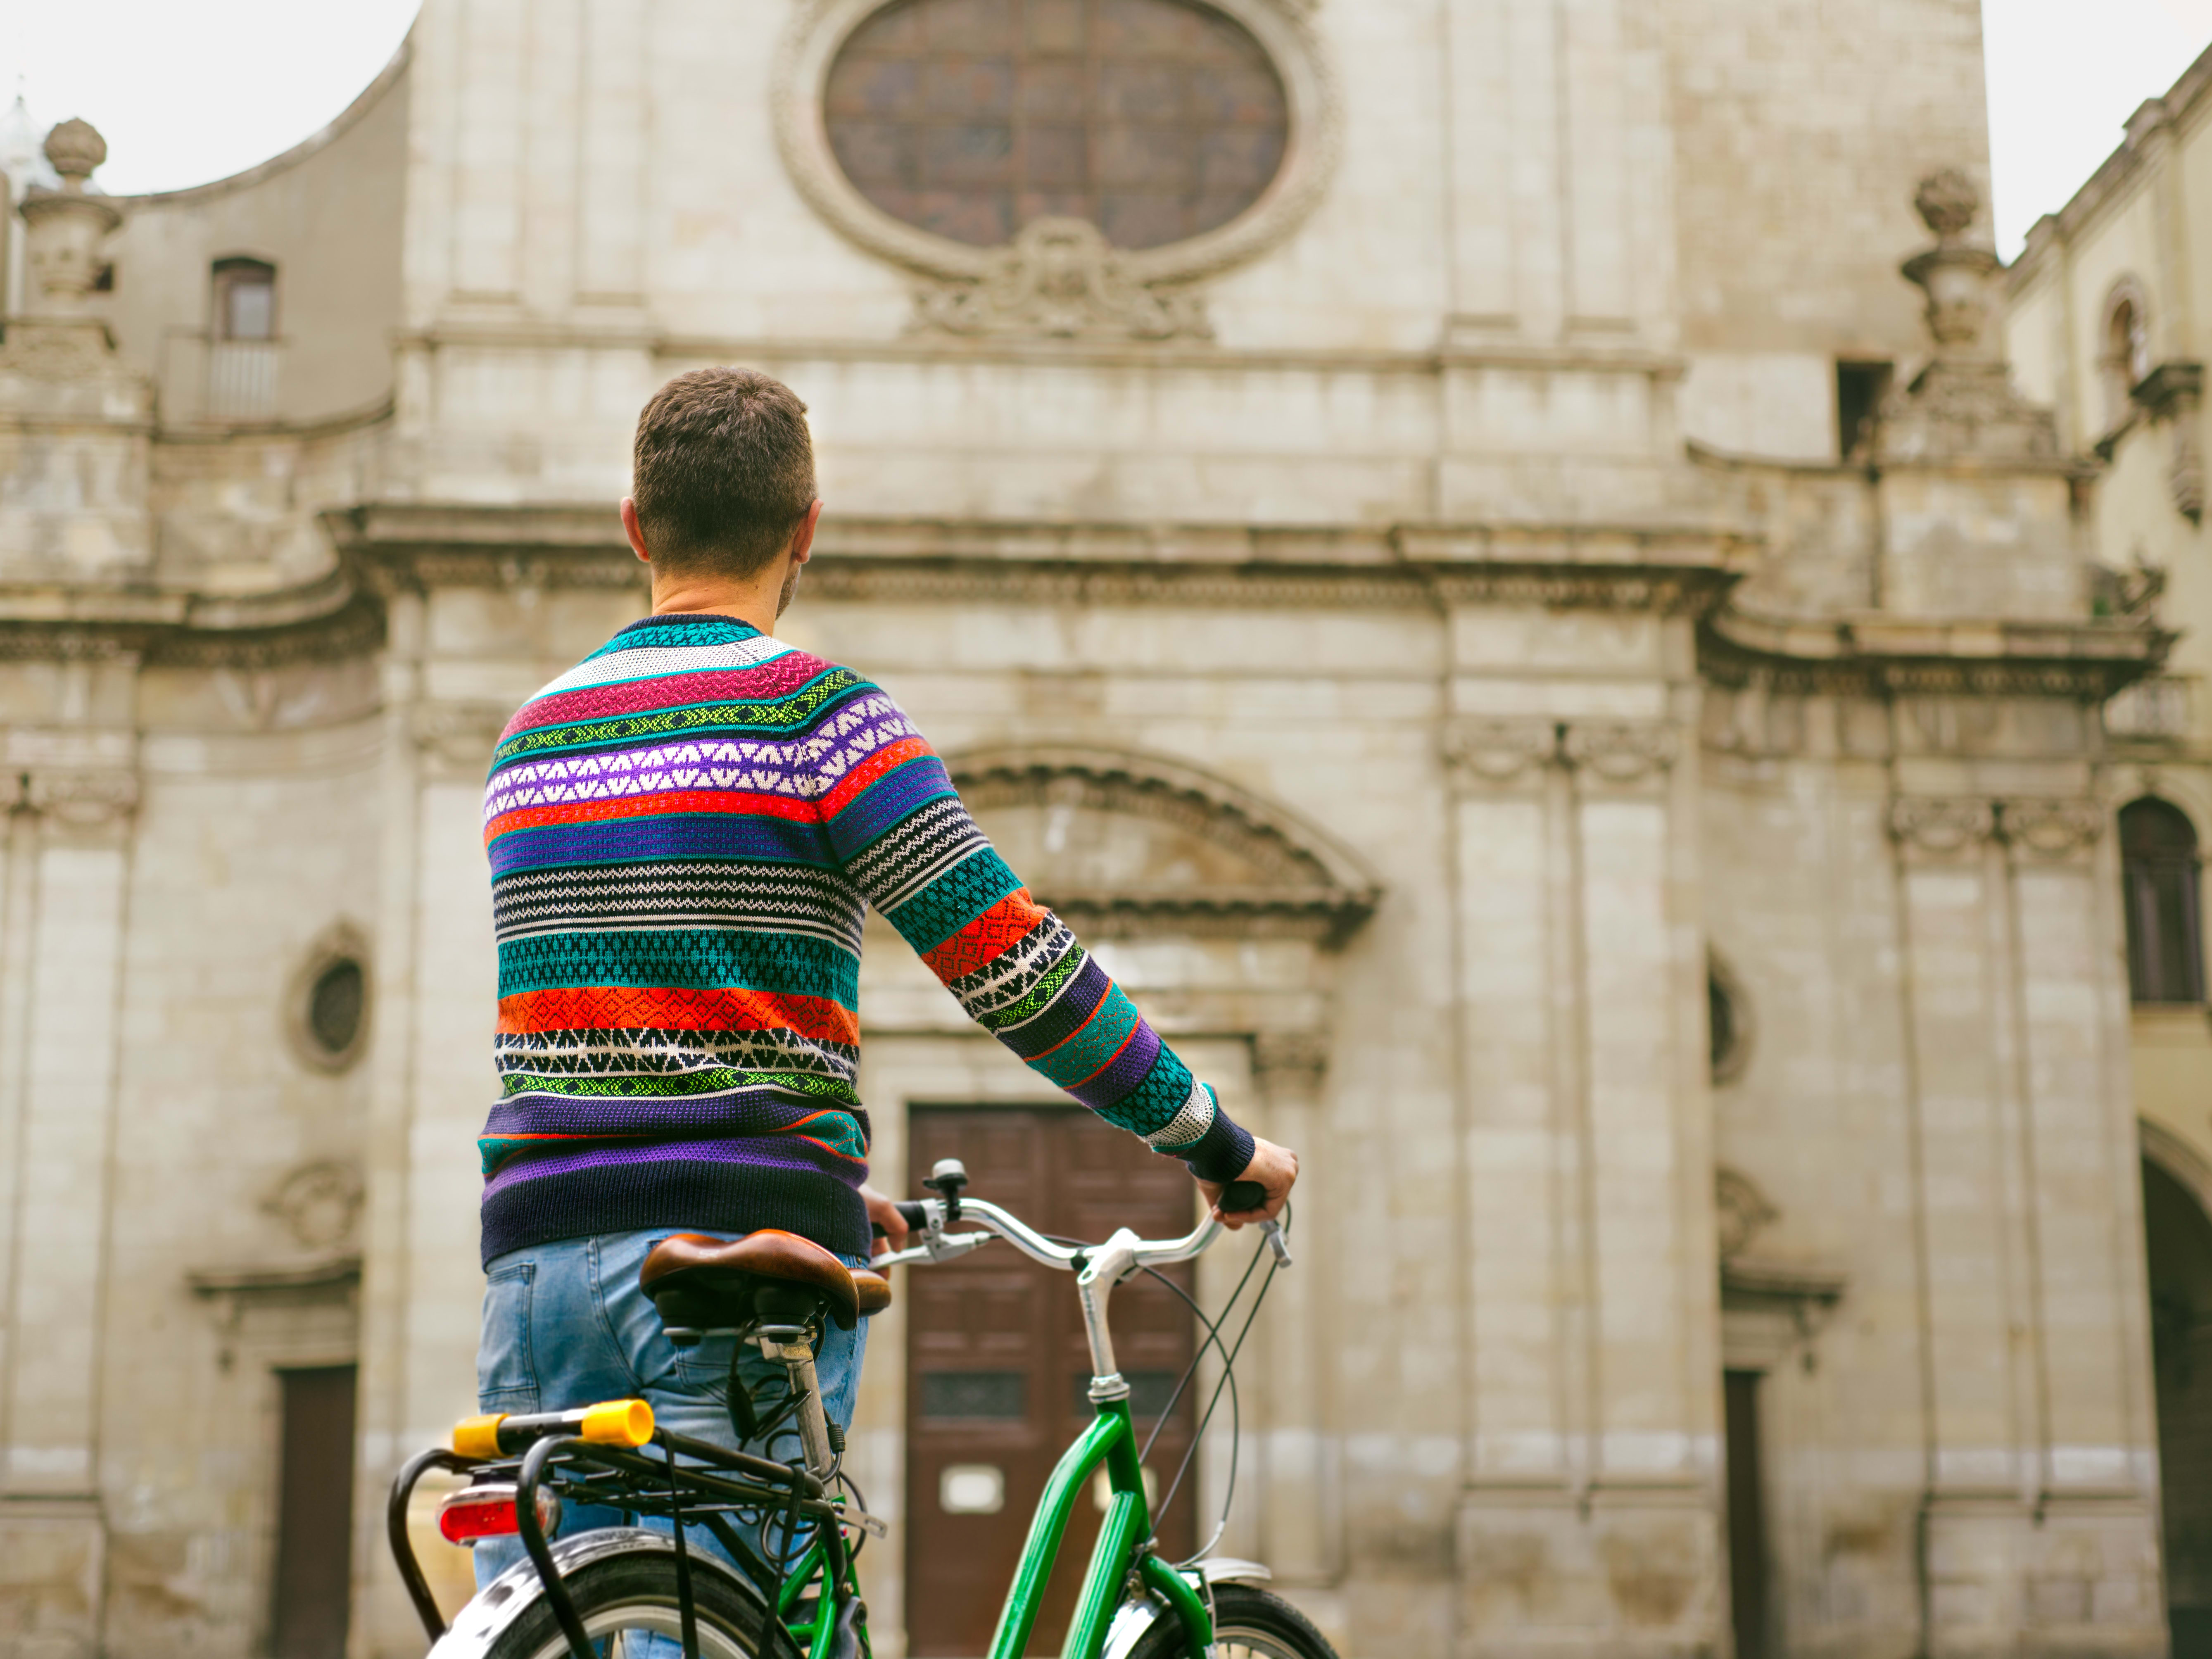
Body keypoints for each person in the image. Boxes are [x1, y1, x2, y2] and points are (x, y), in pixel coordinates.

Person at [469, 367, 1299, 1584]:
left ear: (635, 528)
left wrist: (814, 1173)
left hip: (536, 1265)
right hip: (727, 1265)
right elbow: (1012, 966)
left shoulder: (532, 734)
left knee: (579, 1606)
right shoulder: (818, 717)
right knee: (749, 1604)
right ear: (805, 531)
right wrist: (1212, 1142)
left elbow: (624, 1011)